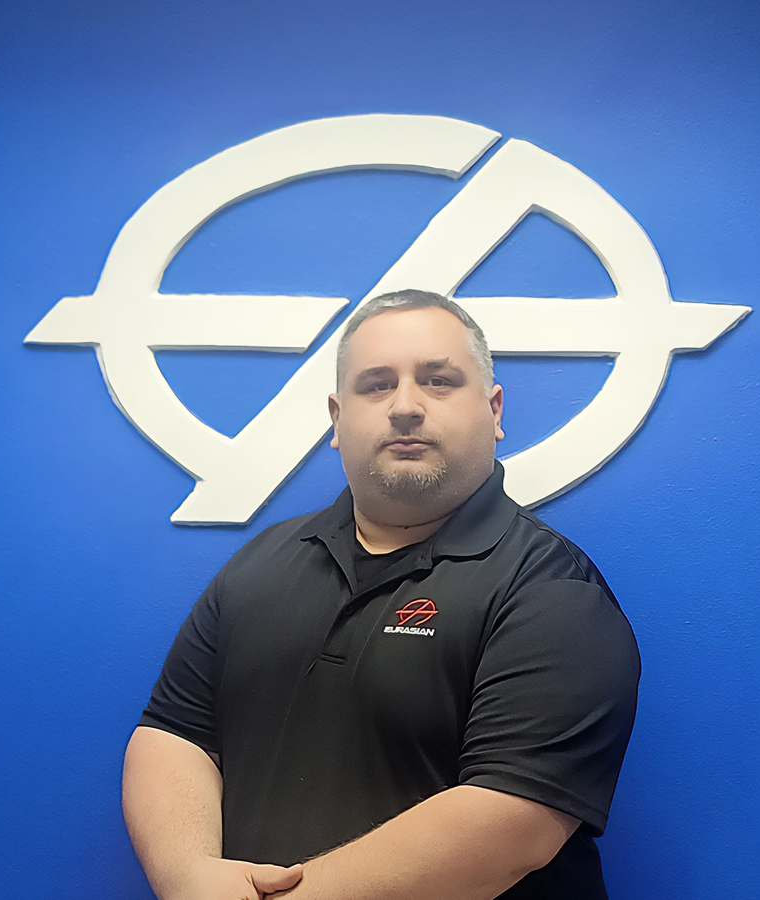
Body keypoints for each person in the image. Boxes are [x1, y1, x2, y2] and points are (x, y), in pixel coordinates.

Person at [123, 290, 640, 900]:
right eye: (375, 385)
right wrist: (188, 878)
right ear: (337, 421)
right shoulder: (261, 564)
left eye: (439, 380)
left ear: (495, 411)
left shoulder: (551, 587)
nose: (405, 406)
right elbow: (172, 733)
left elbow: (513, 824)